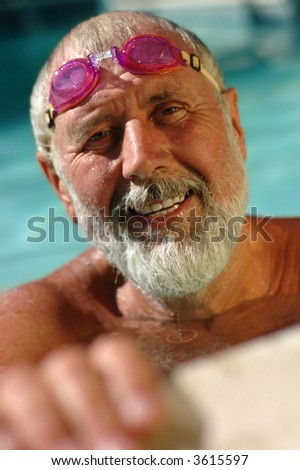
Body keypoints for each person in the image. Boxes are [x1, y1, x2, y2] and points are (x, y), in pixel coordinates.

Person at [0, 10, 299, 450]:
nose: (140, 159)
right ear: (61, 188)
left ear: (235, 124)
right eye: (99, 136)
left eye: (170, 111)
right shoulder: (27, 346)